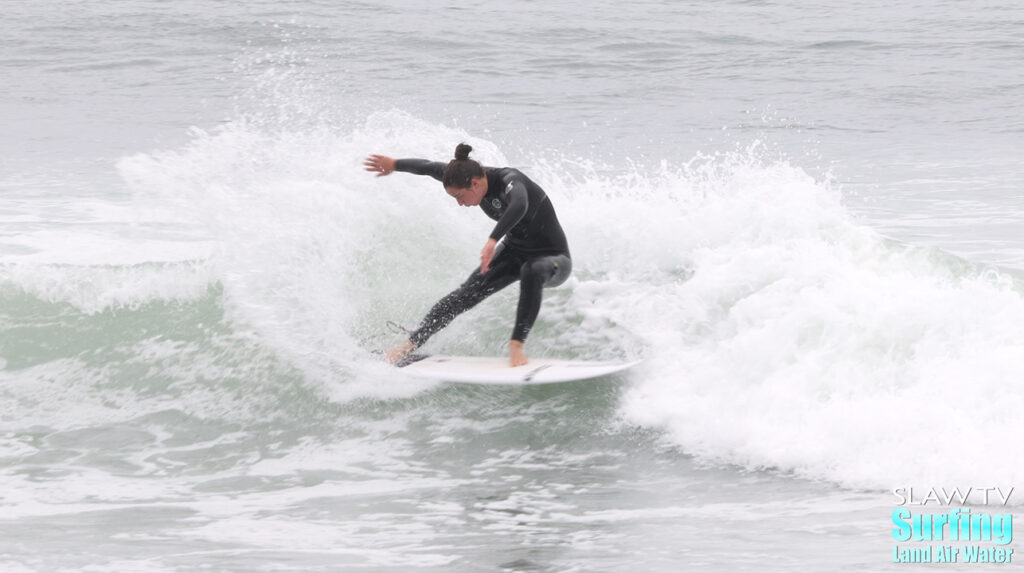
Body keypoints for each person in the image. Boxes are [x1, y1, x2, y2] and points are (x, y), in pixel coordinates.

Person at [364, 143, 571, 367]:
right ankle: (407, 345)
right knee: (464, 294)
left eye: (460, 197)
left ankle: (516, 345)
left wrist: (493, 240)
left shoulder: (510, 180)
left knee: (532, 270)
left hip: (554, 259)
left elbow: (520, 205)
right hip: (514, 252)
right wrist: (394, 164)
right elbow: (427, 167)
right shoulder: (461, 174)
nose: (460, 203)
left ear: (475, 183)